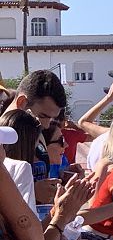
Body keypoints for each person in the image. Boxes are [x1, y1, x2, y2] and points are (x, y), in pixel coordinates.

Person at [1, 71, 67, 206]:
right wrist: (31, 191)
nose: (47, 125)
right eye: (43, 116)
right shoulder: (3, 138)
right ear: (22, 102)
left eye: (51, 118)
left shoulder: (38, 132)